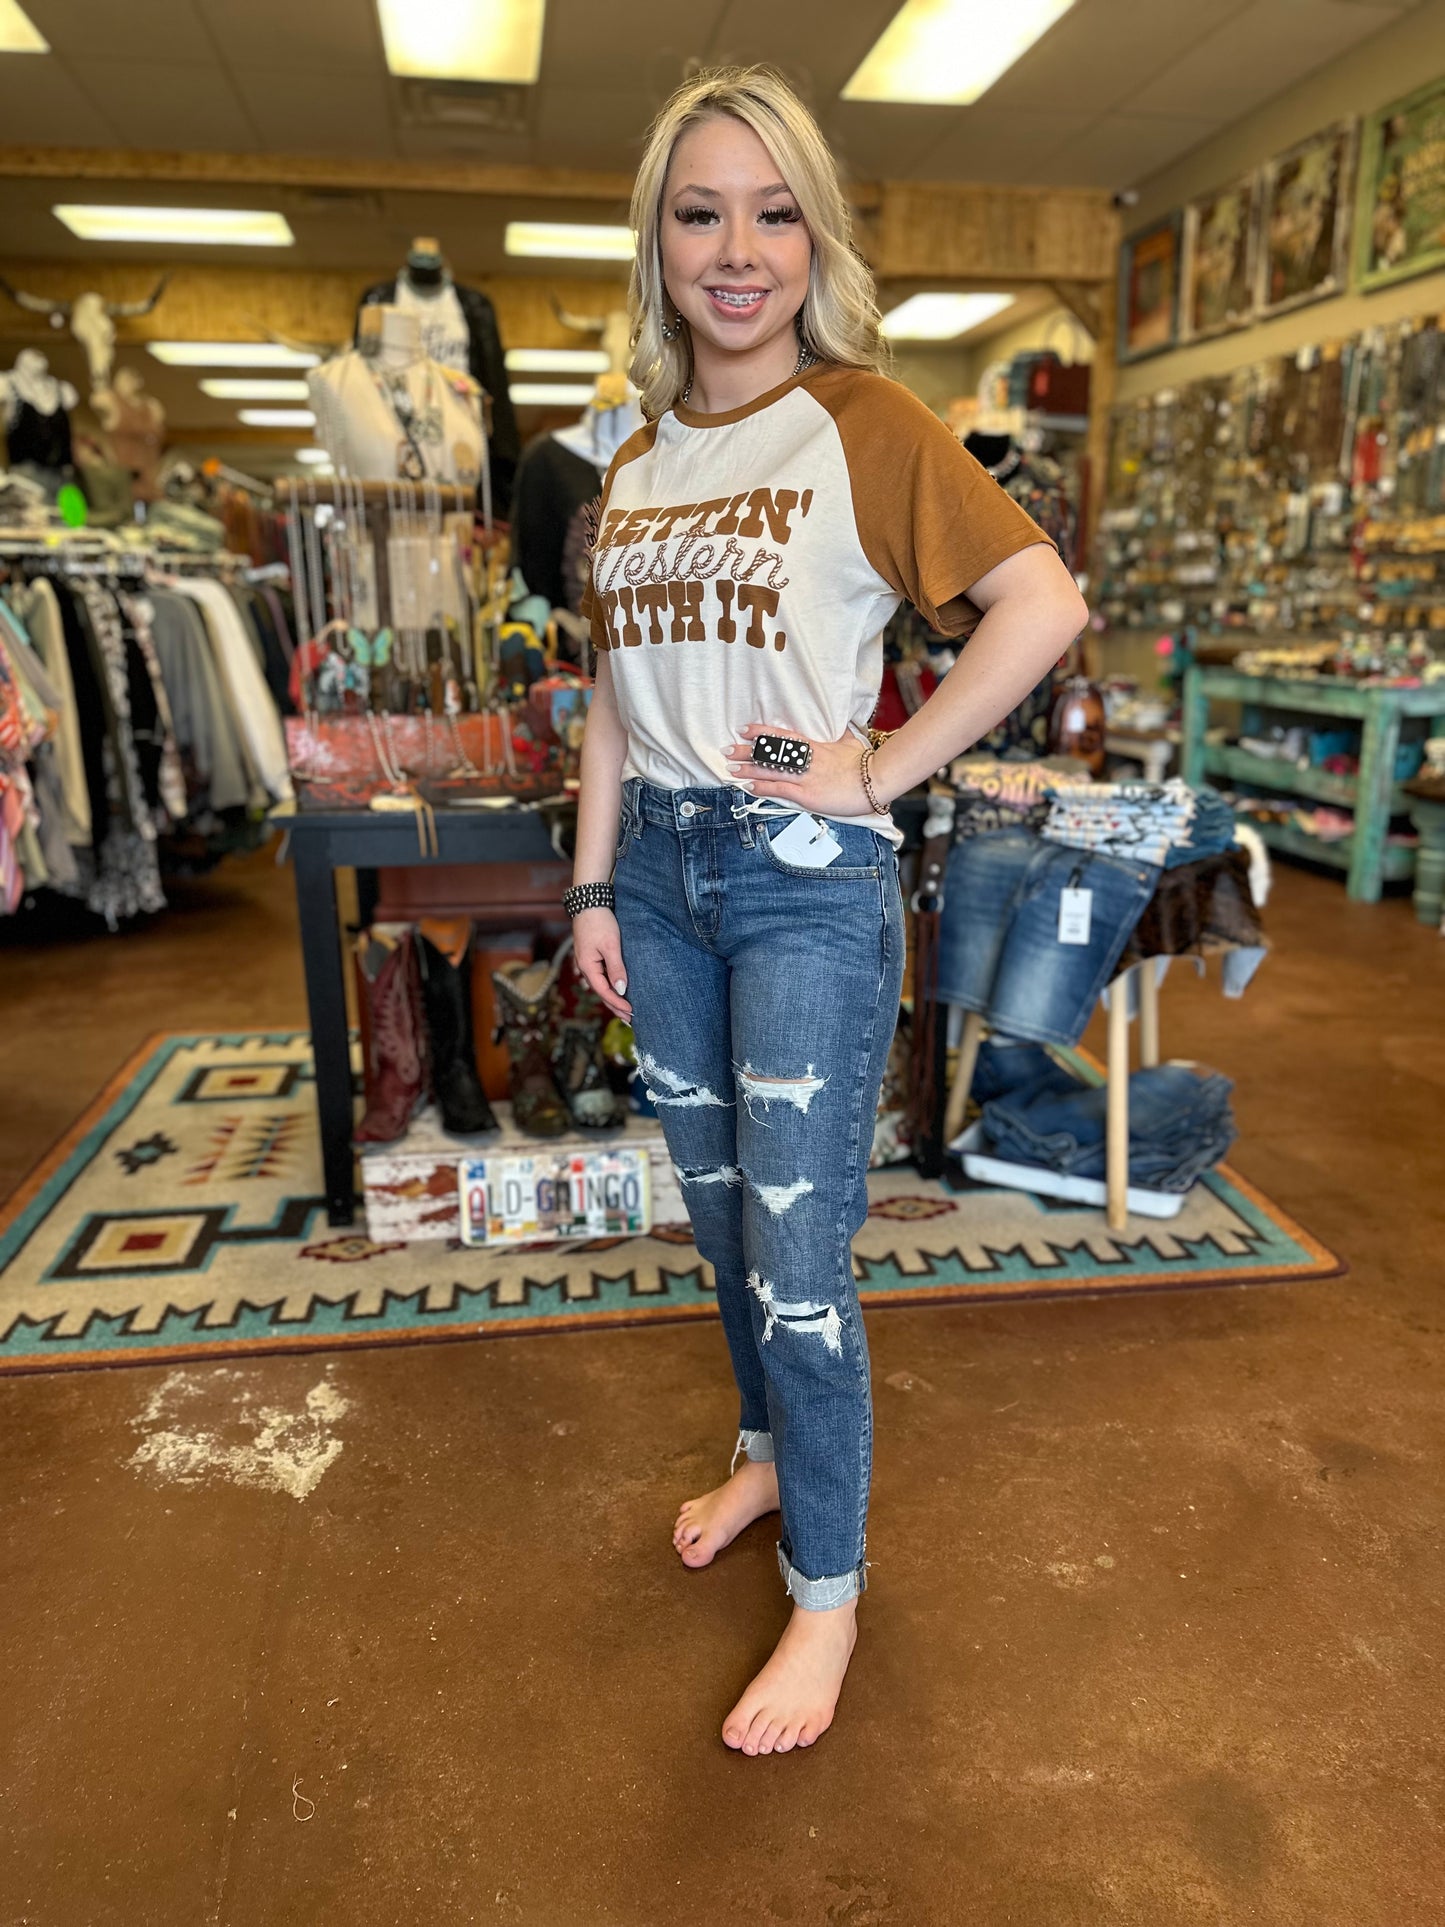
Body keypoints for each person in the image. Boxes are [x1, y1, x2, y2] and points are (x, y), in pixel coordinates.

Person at [564, 66, 1088, 1758]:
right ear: (655, 243)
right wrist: (590, 884)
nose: (737, 249)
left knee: (797, 1258)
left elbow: (1040, 603)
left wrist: (881, 768)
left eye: (774, 213)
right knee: (722, 1224)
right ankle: (765, 1454)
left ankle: (827, 1593)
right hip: (657, 878)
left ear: (814, 241)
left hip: (801, 884)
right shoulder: (631, 460)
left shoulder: (862, 422)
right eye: (700, 212)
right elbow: (609, 700)